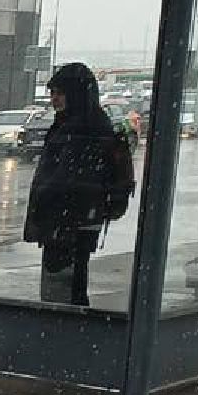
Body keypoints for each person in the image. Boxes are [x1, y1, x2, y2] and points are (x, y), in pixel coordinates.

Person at [25, 63, 130, 306]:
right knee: (68, 287)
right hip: (72, 222)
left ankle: (65, 335)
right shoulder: (77, 123)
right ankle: (69, 330)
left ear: (75, 94)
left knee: (63, 291)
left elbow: (68, 180)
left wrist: (48, 206)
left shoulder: (83, 128)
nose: (54, 99)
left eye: (60, 93)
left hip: (69, 224)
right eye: (52, 93)